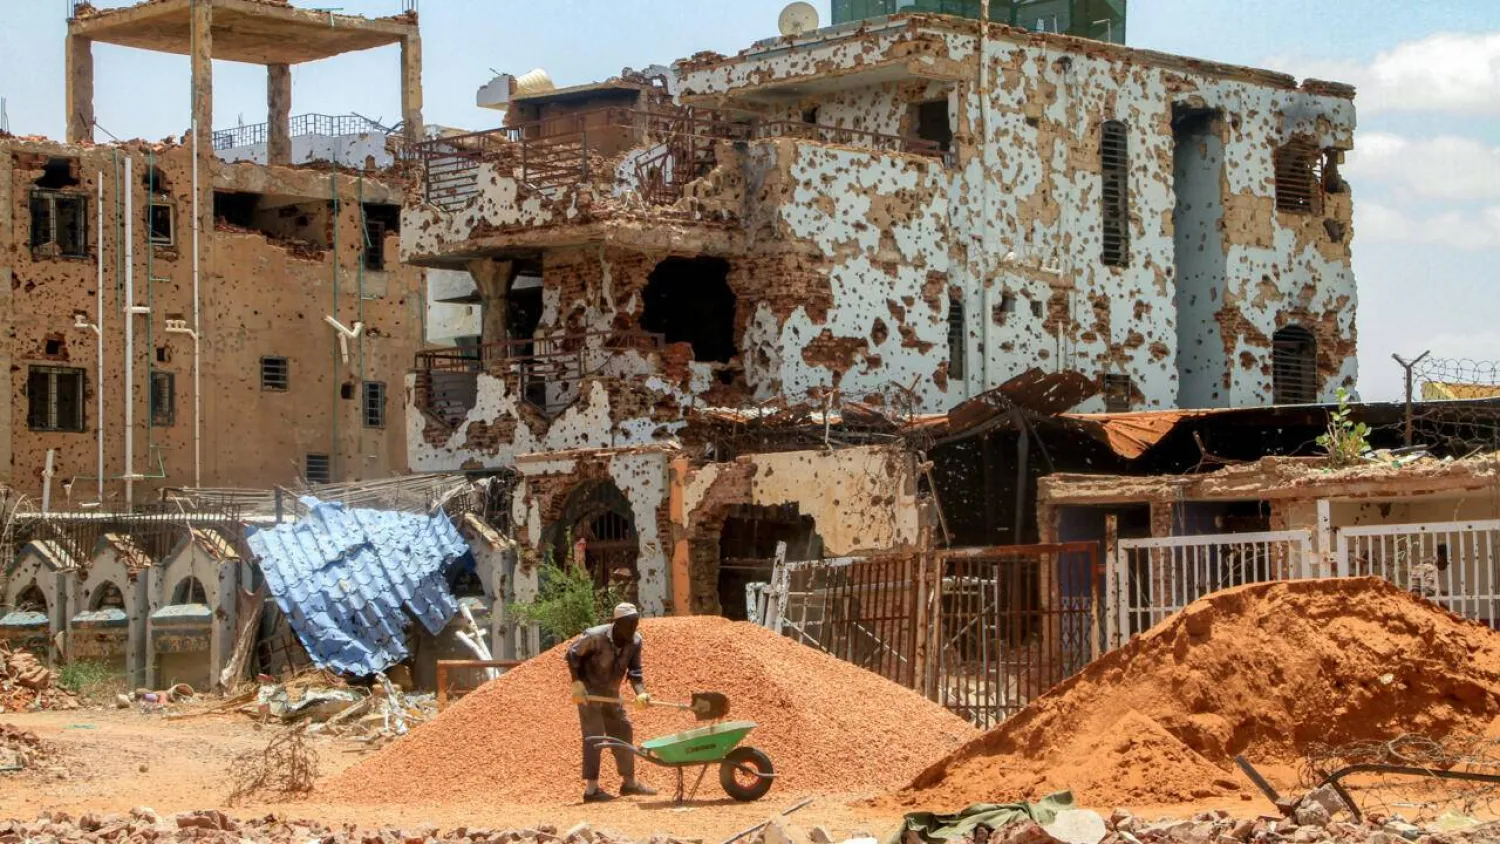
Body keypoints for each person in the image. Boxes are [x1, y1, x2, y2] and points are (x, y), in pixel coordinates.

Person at [565, 602, 659, 803]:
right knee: (595, 736)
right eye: (629, 624)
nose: (633, 628)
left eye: (636, 623)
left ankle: (629, 783)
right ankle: (591, 790)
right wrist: (577, 684)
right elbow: (572, 654)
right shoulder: (595, 637)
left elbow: (635, 672)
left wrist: (641, 694)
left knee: (624, 730)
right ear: (617, 623)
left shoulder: (635, 641)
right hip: (589, 694)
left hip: (611, 694)